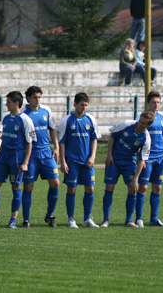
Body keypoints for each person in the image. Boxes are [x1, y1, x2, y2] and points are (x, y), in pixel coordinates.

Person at [0, 91, 36, 229]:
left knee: (16, 187)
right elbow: (3, 139)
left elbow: (29, 143)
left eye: (8, 102)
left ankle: (13, 220)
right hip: (3, 156)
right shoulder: (6, 119)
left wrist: (25, 163)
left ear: (16, 103)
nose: (6, 104)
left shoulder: (25, 120)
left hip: (17, 157)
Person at [101, 111, 153, 228]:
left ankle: (129, 220)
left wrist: (135, 179)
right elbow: (112, 136)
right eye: (140, 121)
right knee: (109, 187)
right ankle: (105, 220)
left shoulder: (146, 139)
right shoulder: (126, 124)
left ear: (148, 125)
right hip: (114, 160)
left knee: (133, 189)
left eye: (143, 123)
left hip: (129, 163)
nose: (139, 124)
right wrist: (109, 155)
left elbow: (141, 160)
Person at [58, 92, 101, 228]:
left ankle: (87, 219)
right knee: (72, 189)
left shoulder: (91, 120)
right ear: (75, 104)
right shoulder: (66, 121)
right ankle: (71, 219)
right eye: (81, 105)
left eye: (86, 105)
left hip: (87, 162)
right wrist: (63, 161)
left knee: (90, 188)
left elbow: (94, 139)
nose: (84, 108)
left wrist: (93, 156)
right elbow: (62, 143)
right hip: (72, 162)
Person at [20, 86, 60, 228]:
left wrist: (56, 147)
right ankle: (26, 219)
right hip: (31, 155)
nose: (38, 100)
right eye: (35, 97)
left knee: (55, 183)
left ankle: (49, 215)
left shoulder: (46, 110)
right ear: (28, 98)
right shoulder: (23, 113)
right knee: (29, 185)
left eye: (39, 97)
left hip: (46, 153)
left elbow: (53, 129)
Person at [135, 92, 163, 227]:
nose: (156, 105)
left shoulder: (162, 117)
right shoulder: (142, 117)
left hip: (160, 158)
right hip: (147, 158)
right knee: (143, 187)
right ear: (148, 103)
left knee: (157, 188)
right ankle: (139, 218)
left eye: (158, 102)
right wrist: (140, 158)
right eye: (154, 102)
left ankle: (154, 218)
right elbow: (138, 137)